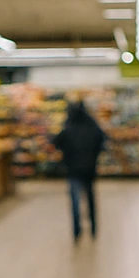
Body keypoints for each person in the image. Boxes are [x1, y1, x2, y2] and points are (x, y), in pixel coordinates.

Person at [52, 99, 106, 240]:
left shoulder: (69, 127)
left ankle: (77, 231)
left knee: (75, 201)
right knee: (90, 199)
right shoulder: (92, 125)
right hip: (89, 169)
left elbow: (56, 142)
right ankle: (93, 228)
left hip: (73, 170)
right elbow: (103, 141)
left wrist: (65, 154)